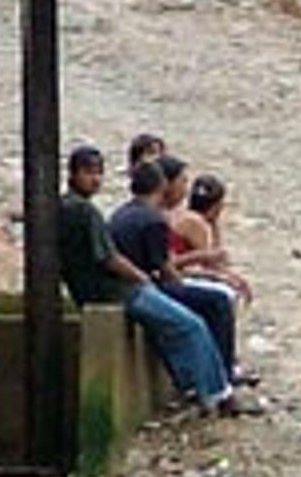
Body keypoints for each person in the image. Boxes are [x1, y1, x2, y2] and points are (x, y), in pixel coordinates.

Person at [55, 143, 238, 414]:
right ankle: (217, 393)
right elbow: (110, 258)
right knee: (192, 325)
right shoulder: (87, 212)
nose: (95, 179)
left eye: (99, 173)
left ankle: (196, 385)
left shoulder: (77, 207)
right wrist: (141, 278)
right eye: (89, 172)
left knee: (175, 328)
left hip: (95, 290)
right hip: (116, 290)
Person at [110, 158, 242, 379]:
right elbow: (168, 268)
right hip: (145, 287)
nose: (185, 187)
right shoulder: (157, 218)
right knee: (212, 307)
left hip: (140, 285)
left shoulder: (132, 213)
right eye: (182, 181)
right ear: (164, 185)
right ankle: (219, 379)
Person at [171, 170, 251, 304]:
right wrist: (234, 278)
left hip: (179, 271)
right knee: (229, 293)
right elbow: (212, 262)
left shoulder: (184, 215)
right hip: (178, 275)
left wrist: (214, 224)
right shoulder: (196, 223)